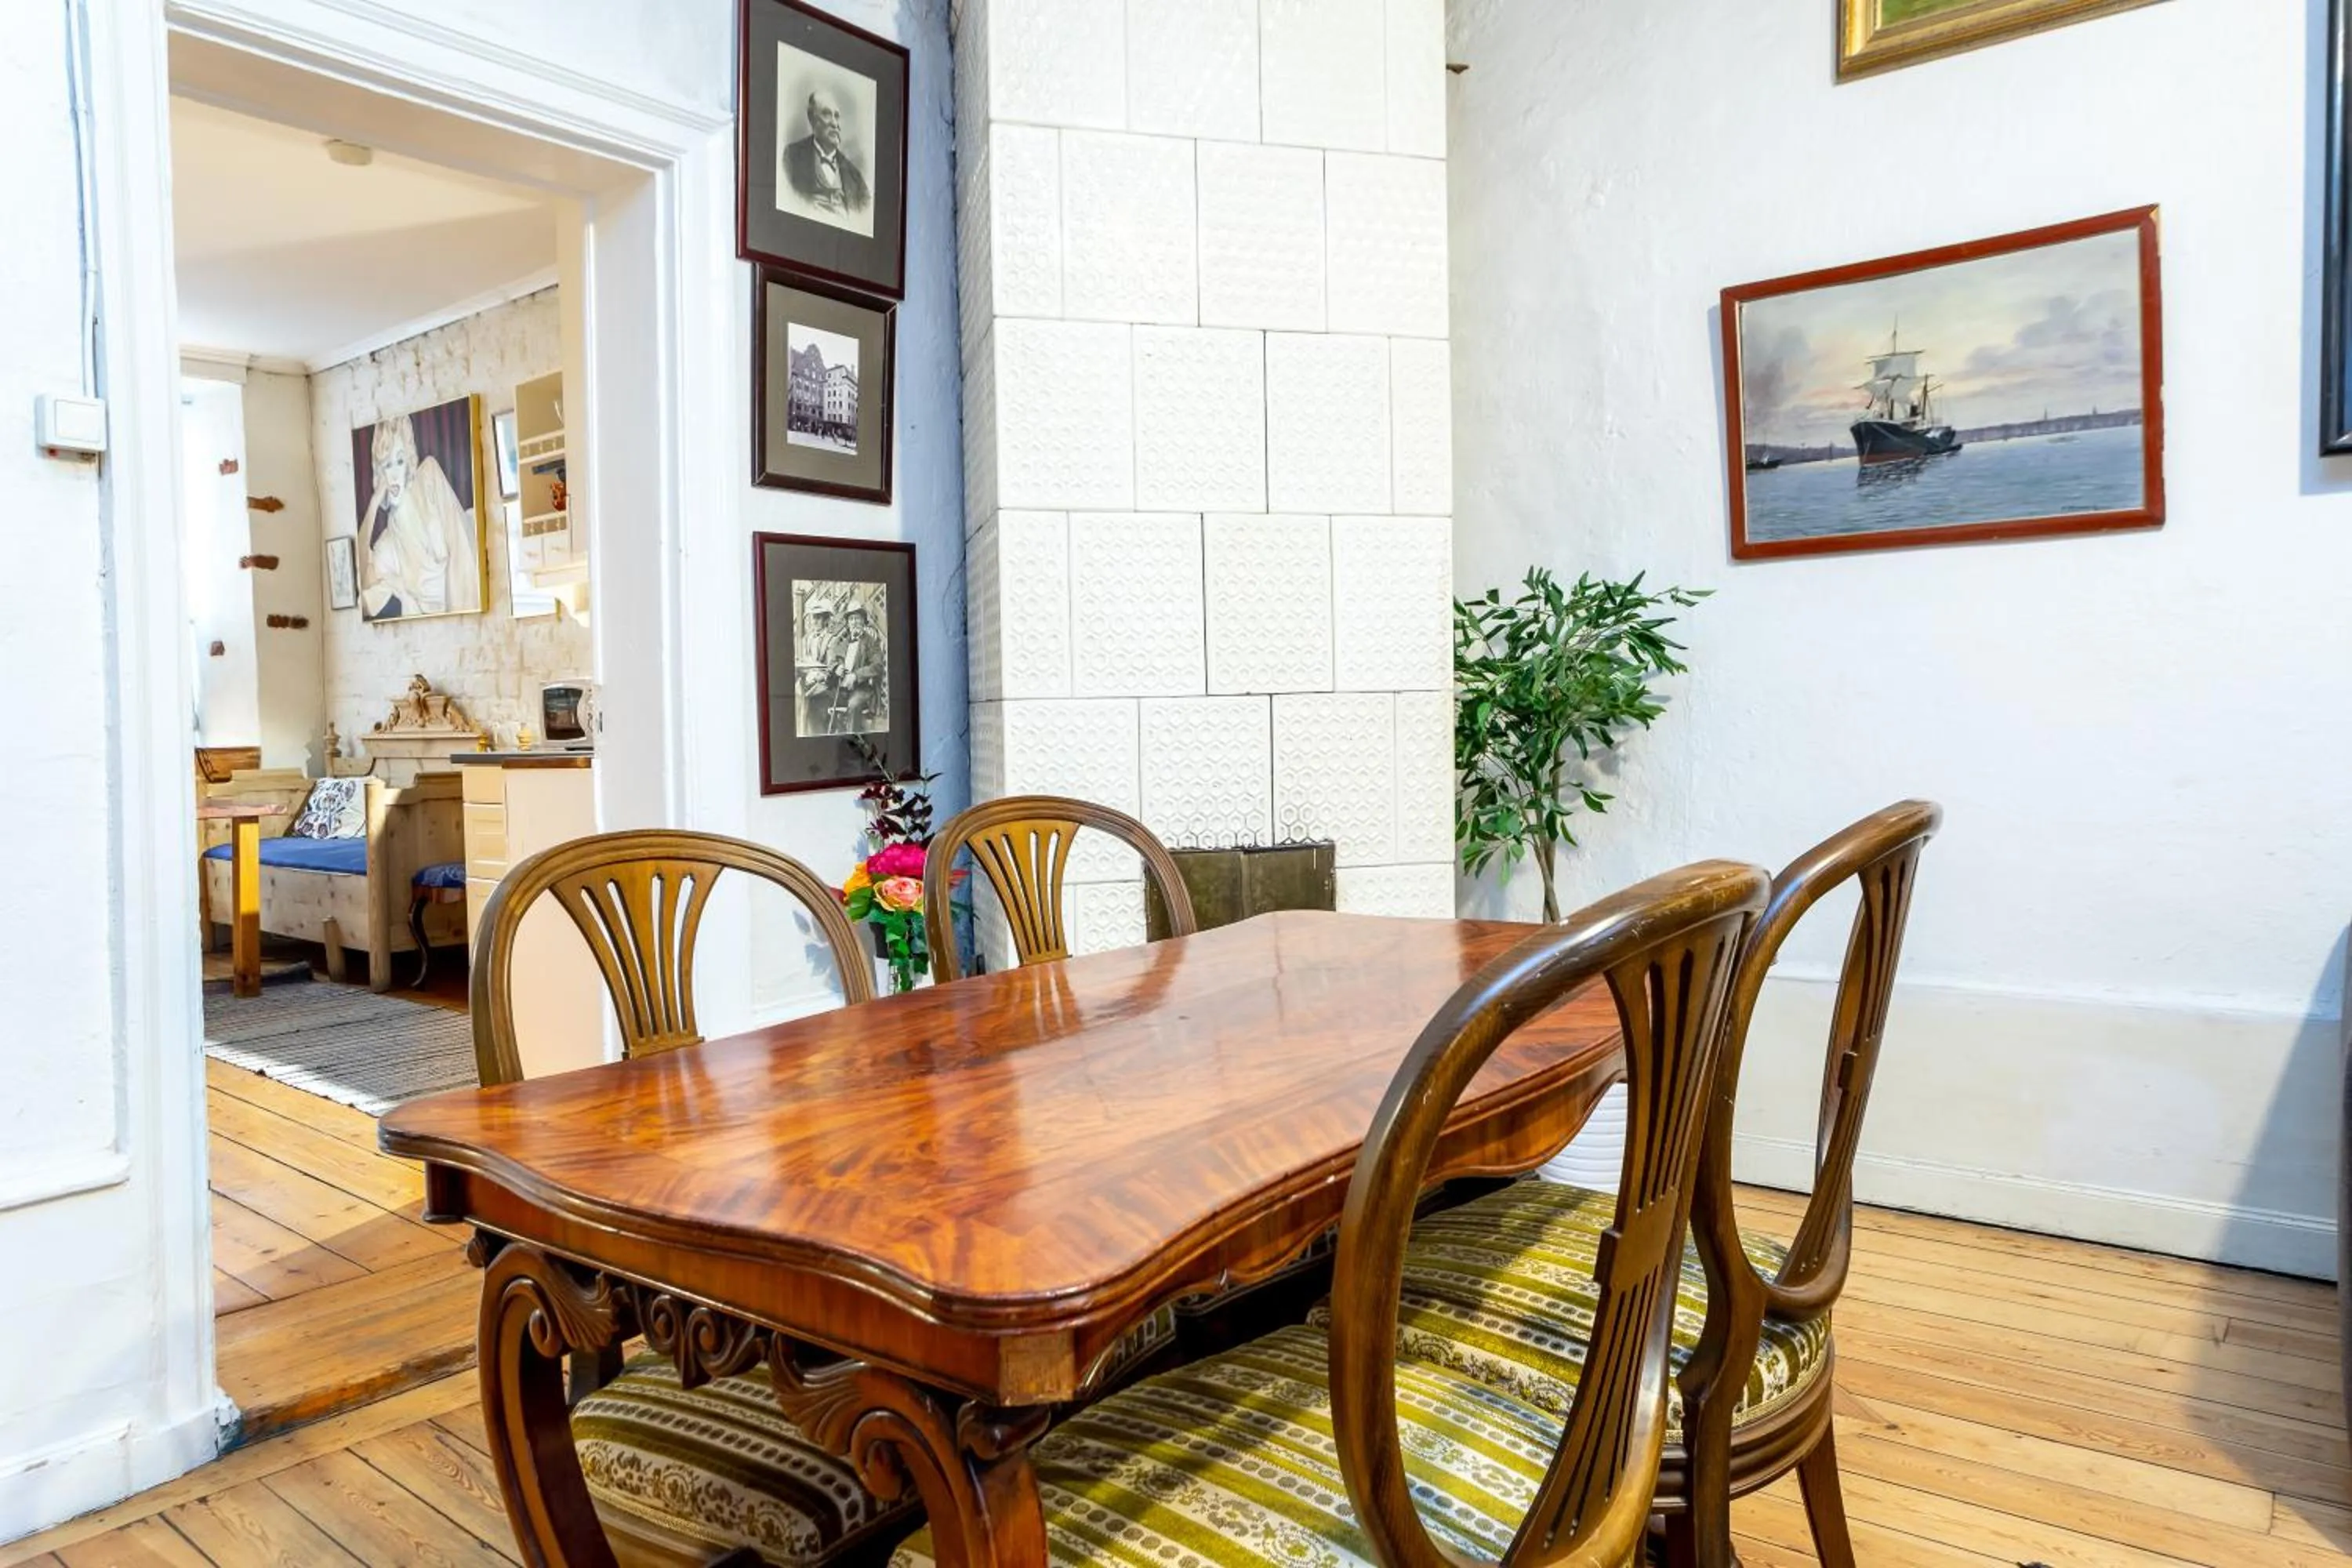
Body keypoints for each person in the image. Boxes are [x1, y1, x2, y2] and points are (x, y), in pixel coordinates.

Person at [361, 413, 480, 620]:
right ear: (380, 472)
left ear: (408, 462)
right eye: (387, 466)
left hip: (464, 593)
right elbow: (361, 585)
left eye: (399, 461)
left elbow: (461, 551)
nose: (395, 475)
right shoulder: (388, 541)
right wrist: (373, 504)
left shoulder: (428, 477)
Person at [782, 88, 870, 220]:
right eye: (826, 114)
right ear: (812, 119)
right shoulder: (792, 157)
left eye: (837, 116)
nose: (835, 124)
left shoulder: (855, 177)